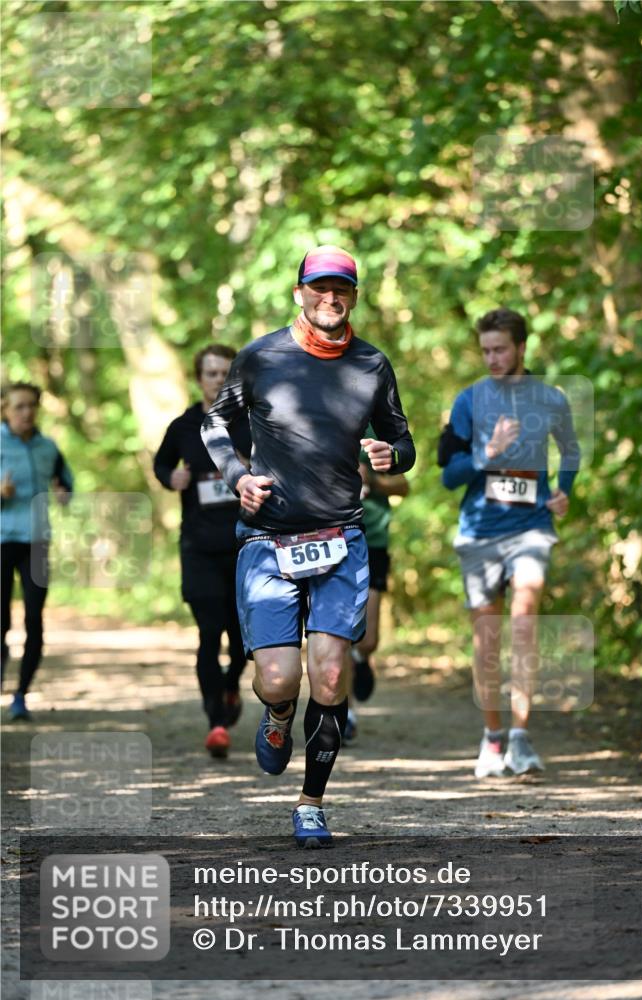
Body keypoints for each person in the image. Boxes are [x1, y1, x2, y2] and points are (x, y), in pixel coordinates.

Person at [202, 245, 415, 847]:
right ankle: (273, 717)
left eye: (341, 289)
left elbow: (405, 444)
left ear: (354, 296)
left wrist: (389, 454)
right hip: (269, 541)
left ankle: (311, 803)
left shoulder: (372, 365)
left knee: (329, 675)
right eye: (319, 287)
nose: (330, 297)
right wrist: (237, 477)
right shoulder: (261, 358)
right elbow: (214, 424)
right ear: (299, 292)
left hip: (341, 538)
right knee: (278, 680)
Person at [438, 308, 580, 778]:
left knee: (524, 620)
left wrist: (565, 490)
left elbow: (572, 450)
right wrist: (488, 453)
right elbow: (448, 476)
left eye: (500, 349)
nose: (492, 358)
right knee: (488, 640)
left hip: (532, 526)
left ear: (521, 347)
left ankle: (521, 737)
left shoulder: (550, 400)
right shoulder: (468, 402)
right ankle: (493, 738)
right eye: (485, 351)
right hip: (479, 531)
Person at [154, 345, 251, 758]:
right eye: (210, 373)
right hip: (199, 547)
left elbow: (277, 468)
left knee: (244, 640)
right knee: (209, 634)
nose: (217, 379)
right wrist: (170, 476)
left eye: (225, 373)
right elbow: (161, 465)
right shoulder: (183, 426)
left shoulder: (250, 422)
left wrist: (254, 466)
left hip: (245, 545)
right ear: (199, 379)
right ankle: (215, 722)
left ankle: (230, 687)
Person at [1, 382, 73, 720]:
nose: (26, 412)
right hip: (2, 541)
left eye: (31, 406)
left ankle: (21, 695)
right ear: (5, 409)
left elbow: (64, 479)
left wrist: (63, 492)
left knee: (34, 620)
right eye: (19, 406)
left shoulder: (48, 447)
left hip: (37, 542)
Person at [344, 432, 409, 744]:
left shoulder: (377, 429)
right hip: (333, 539)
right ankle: (345, 712)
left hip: (374, 541)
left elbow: (403, 486)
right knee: (338, 632)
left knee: (367, 639)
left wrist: (372, 479)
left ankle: (361, 657)